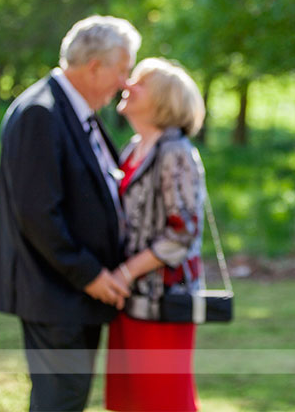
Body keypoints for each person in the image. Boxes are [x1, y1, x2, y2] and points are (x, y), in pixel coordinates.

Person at [0, 15, 141, 412]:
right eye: (122, 71)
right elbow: (37, 214)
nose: (125, 82)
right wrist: (90, 275)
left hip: (70, 292)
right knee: (61, 401)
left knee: (68, 399)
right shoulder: (41, 112)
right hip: (56, 292)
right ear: (94, 66)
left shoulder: (72, 111)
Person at [104, 57, 207, 412]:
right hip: (128, 296)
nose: (128, 85)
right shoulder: (133, 148)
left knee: (164, 402)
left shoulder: (176, 152)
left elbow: (183, 233)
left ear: (163, 100)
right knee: (130, 402)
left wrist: (125, 272)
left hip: (163, 299)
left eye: (140, 82)